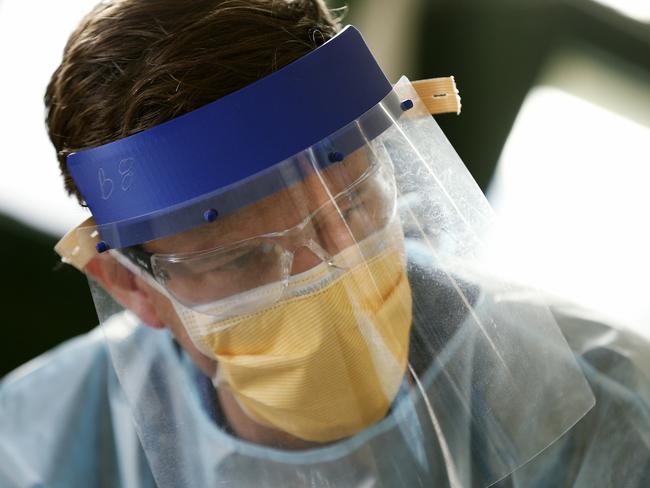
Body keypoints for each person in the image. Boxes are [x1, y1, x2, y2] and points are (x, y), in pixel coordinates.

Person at [1, 1, 648, 487]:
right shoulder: (43, 443)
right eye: (245, 256)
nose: (335, 273)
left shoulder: (615, 402)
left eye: (354, 203)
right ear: (134, 287)